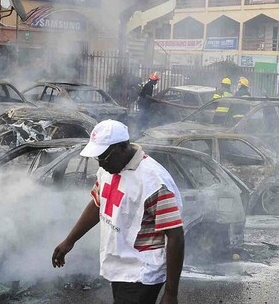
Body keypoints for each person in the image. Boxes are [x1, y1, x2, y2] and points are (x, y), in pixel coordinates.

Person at [52, 120, 185, 304]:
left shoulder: (153, 181)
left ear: (122, 147)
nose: (100, 164)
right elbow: (98, 204)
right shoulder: (109, 170)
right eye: (97, 158)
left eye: (104, 158)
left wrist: (171, 293)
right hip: (119, 267)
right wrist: (70, 240)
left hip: (141, 271)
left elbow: (175, 236)